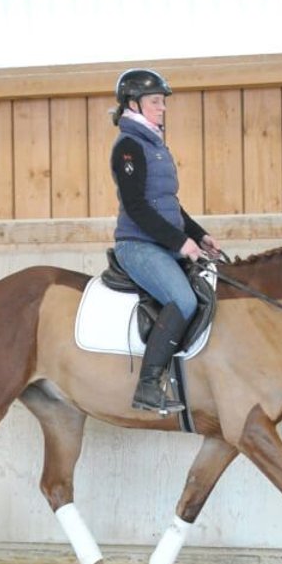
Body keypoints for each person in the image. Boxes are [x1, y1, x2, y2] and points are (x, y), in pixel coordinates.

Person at [110, 68, 221, 415]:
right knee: (184, 301)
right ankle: (148, 386)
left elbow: (169, 204)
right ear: (133, 104)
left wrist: (198, 235)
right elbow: (137, 208)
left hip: (163, 243)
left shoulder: (155, 145)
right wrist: (180, 243)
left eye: (163, 102)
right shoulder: (128, 146)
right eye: (155, 101)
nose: (163, 108)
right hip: (138, 246)